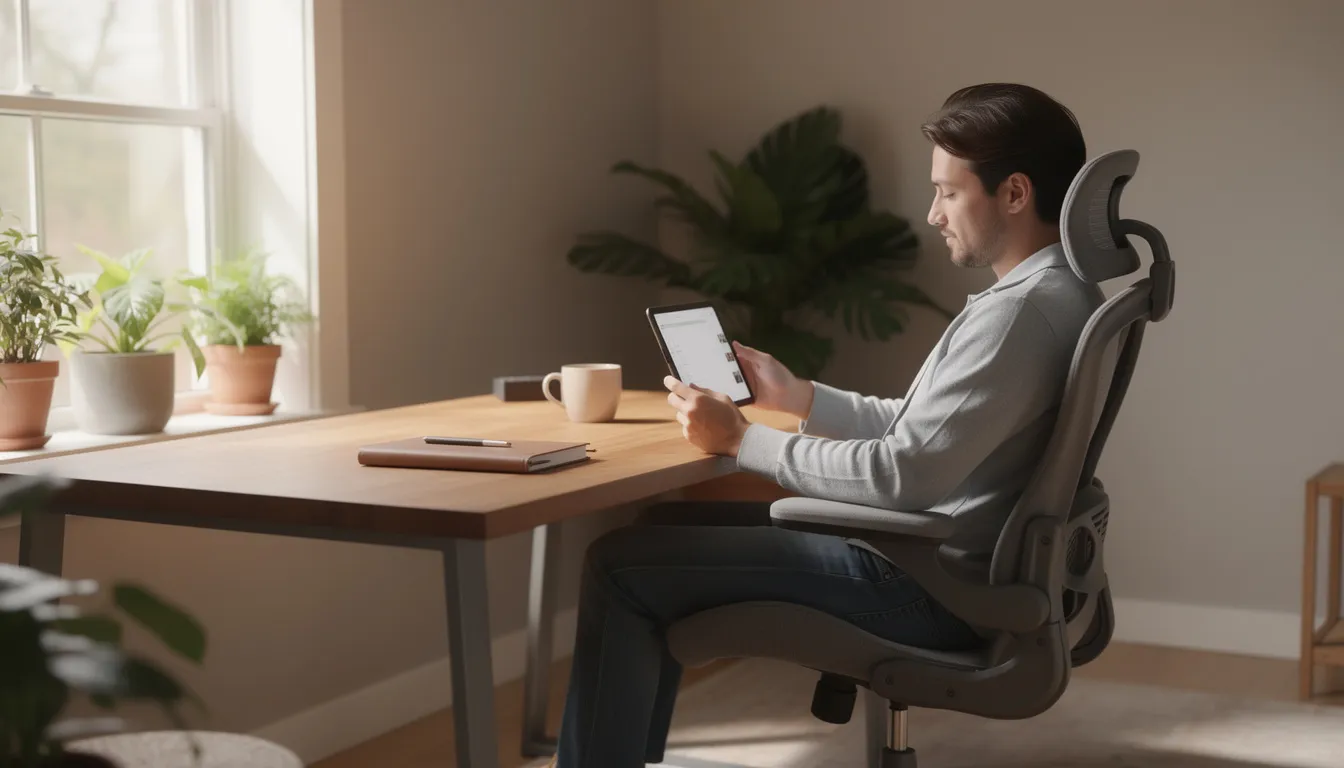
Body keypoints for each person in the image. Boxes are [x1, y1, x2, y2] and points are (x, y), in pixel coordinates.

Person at [548, 83, 1102, 768]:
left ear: (1014, 193)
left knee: (619, 567)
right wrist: (803, 396)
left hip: (928, 581)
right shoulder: (1063, 293)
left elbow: (900, 474)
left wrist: (740, 440)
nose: (932, 214)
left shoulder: (1017, 315)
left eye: (948, 193)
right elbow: (920, 430)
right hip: (954, 563)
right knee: (646, 540)